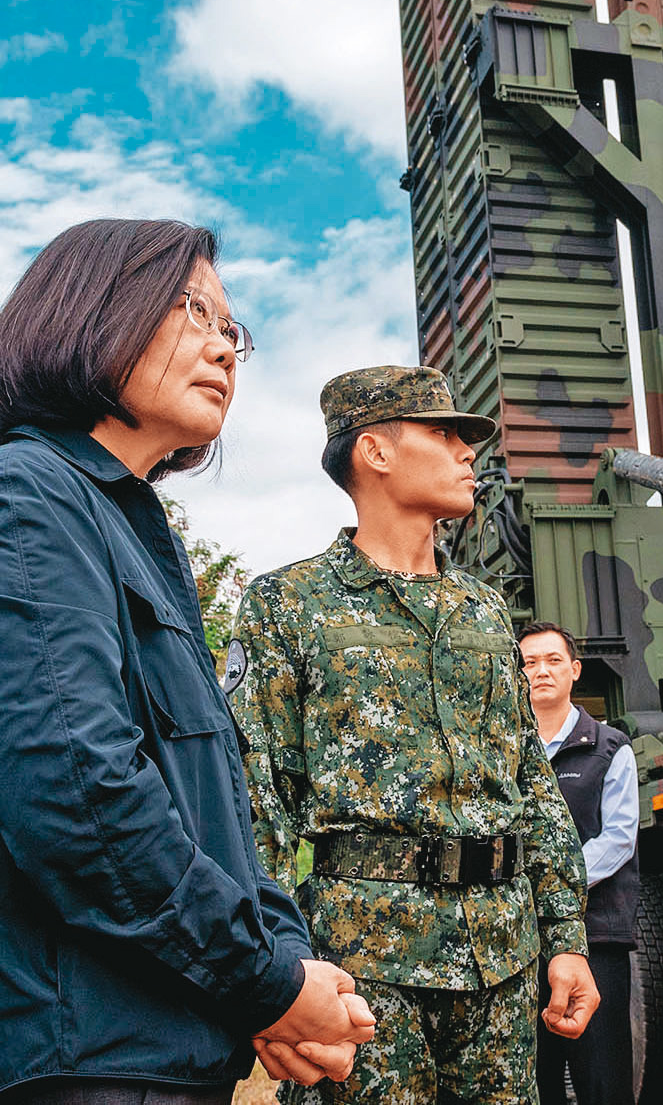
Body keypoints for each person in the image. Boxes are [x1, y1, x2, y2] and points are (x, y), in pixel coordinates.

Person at [0, 218, 372, 1105]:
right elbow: (79, 796)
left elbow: (210, 808)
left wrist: (284, 962)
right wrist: (264, 983)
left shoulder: (135, 531)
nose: (225, 346)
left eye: (235, 331)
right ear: (94, 314)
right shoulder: (17, 498)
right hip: (59, 1056)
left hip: (149, 1047)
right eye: (196, 310)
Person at [232, 364, 600, 1105]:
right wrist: (272, 968)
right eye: (444, 433)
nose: (469, 452)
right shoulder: (287, 605)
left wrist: (565, 936)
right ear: (375, 452)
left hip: (501, 959)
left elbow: (529, 782)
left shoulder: (486, 611)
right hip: (363, 970)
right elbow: (255, 800)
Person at [518, 623, 637, 1105]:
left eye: (551, 660)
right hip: (521, 942)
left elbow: (619, 838)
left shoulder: (610, 748)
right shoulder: (500, 752)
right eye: (528, 663)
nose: (540, 671)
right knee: (533, 1077)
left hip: (596, 937)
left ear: (574, 669)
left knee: (601, 1077)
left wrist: (550, 884)